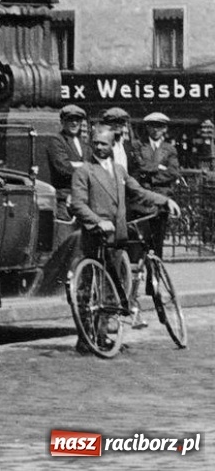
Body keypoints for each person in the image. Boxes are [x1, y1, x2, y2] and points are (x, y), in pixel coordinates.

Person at [70, 123, 181, 343]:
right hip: (96, 235)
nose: (100, 147)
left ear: (113, 145)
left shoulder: (120, 171)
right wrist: (98, 221)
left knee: (114, 284)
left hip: (118, 236)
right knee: (90, 286)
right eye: (96, 143)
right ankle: (87, 338)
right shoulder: (84, 171)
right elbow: (78, 204)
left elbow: (139, 192)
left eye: (104, 143)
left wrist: (165, 200)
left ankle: (105, 331)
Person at [131, 112, 180, 259]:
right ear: (147, 127)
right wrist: (159, 167)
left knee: (157, 244)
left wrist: (150, 178)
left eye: (159, 126)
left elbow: (173, 172)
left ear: (165, 128)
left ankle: (153, 281)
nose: (156, 130)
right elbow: (139, 167)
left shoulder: (170, 149)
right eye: (153, 126)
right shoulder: (138, 145)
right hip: (142, 200)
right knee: (139, 243)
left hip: (161, 201)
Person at [46, 104, 90, 221]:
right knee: (65, 232)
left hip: (84, 198)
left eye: (78, 120)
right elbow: (64, 169)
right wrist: (84, 167)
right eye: (70, 119)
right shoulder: (56, 141)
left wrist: (76, 165)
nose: (74, 123)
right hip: (65, 199)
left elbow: (93, 166)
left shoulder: (84, 143)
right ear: (62, 122)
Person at [100, 107, 136, 173]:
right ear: (106, 124)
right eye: (113, 122)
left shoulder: (127, 145)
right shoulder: (100, 145)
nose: (117, 125)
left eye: (120, 122)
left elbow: (133, 169)